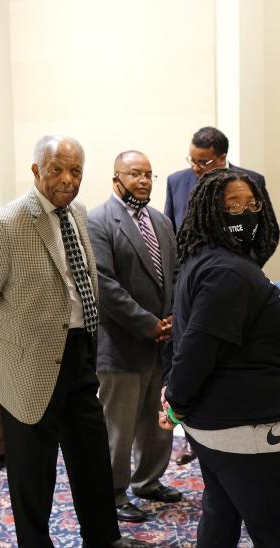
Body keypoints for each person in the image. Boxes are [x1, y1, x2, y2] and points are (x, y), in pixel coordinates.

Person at [0, 135, 150, 548]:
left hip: (81, 351)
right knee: (33, 471)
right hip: (27, 367)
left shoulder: (78, 214)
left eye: (76, 171)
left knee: (91, 455)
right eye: (58, 169)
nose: (67, 180)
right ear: (36, 170)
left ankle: (101, 537)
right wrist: (2, 353)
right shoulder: (4, 224)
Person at [159, 168, 280, 548]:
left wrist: (176, 398)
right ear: (208, 213)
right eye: (232, 207)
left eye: (251, 205)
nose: (245, 214)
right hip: (244, 426)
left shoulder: (214, 262)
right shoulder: (228, 273)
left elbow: (192, 341)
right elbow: (197, 348)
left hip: (223, 421)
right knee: (276, 533)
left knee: (220, 514)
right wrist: (174, 402)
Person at [163, 125, 279, 465]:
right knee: (193, 352)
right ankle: (192, 434)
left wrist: (241, 269)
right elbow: (175, 235)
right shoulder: (176, 181)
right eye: (193, 161)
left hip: (233, 285)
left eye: (204, 162)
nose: (197, 169)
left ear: (222, 158)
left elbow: (268, 232)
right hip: (194, 281)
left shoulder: (249, 180)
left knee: (219, 358)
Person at [88, 150, 181, 524]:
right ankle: (114, 493)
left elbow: (172, 274)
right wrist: (147, 323)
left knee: (156, 420)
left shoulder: (161, 220)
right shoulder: (98, 220)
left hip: (161, 343)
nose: (143, 181)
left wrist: (172, 316)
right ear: (116, 177)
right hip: (122, 344)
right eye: (134, 174)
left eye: (148, 175)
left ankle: (149, 481)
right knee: (119, 427)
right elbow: (102, 283)